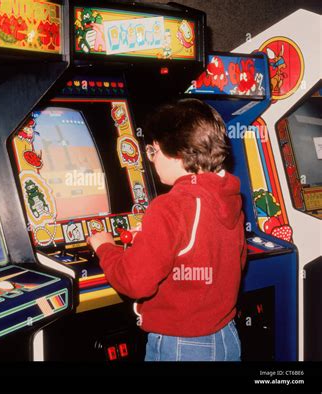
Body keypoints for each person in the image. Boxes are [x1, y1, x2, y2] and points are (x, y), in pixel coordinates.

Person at [88, 98, 247, 361]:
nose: (151, 159)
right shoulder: (228, 196)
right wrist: (155, 243)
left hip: (183, 346)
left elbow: (134, 282)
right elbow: (230, 262)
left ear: (179, 153)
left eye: (154, 151)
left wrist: (105, 247)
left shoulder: (171, 206)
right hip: (226, 338)